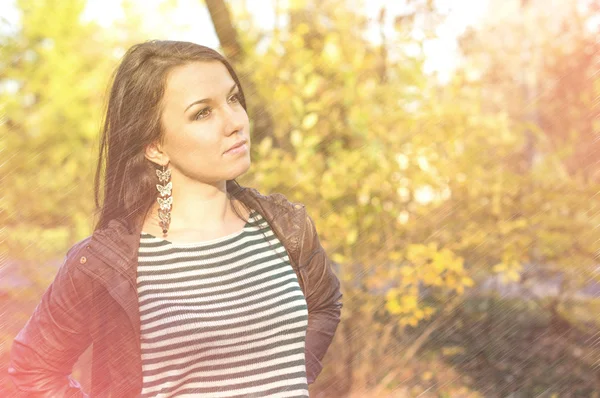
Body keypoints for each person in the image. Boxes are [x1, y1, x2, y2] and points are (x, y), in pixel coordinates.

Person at [8, 40, 343, 397]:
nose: (235, 122)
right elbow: (33, 371)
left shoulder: (285, 227)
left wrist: (287, 376)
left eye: (233, 99)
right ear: (155, 146)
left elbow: (324, 304)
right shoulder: (105, 263)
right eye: (203, 112)